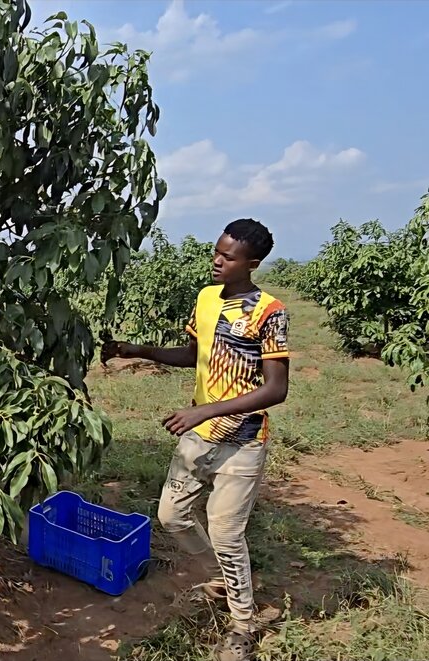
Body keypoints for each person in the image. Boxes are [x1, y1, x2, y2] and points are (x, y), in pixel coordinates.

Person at [102, 218, 289, 661]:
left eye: (228, 256)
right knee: (172, 516)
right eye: (217, 251)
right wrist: (138, 350)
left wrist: (204, 409)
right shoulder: (206, 299)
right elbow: (193, 354)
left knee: (226, 531)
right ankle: (222, 580)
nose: (216, 261)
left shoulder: (269, 311)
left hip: (243, 441)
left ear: (252, 263)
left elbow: (275, 389)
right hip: (198, 438)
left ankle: (243, 624)